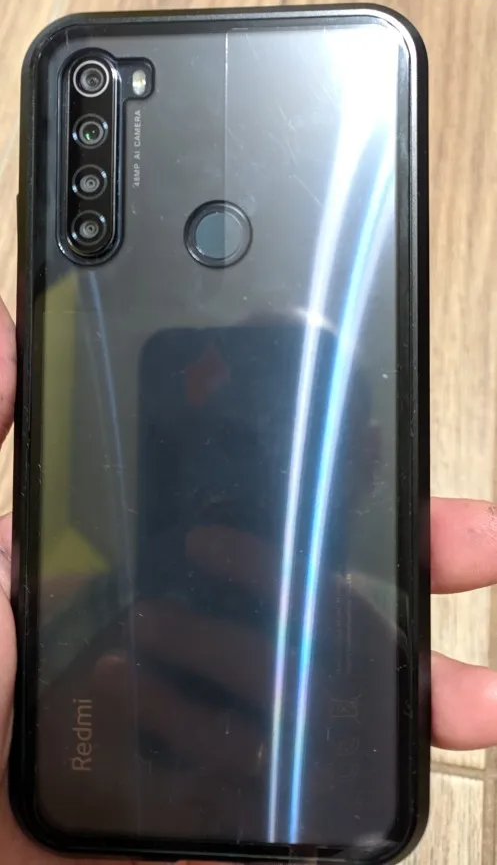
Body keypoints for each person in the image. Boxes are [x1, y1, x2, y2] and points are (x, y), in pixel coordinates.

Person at [0, 294, 496, 863]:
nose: (260, 453)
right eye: (233, 428)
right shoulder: (57, 615)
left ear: (367, 455)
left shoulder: (379, 648)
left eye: (299, 423)